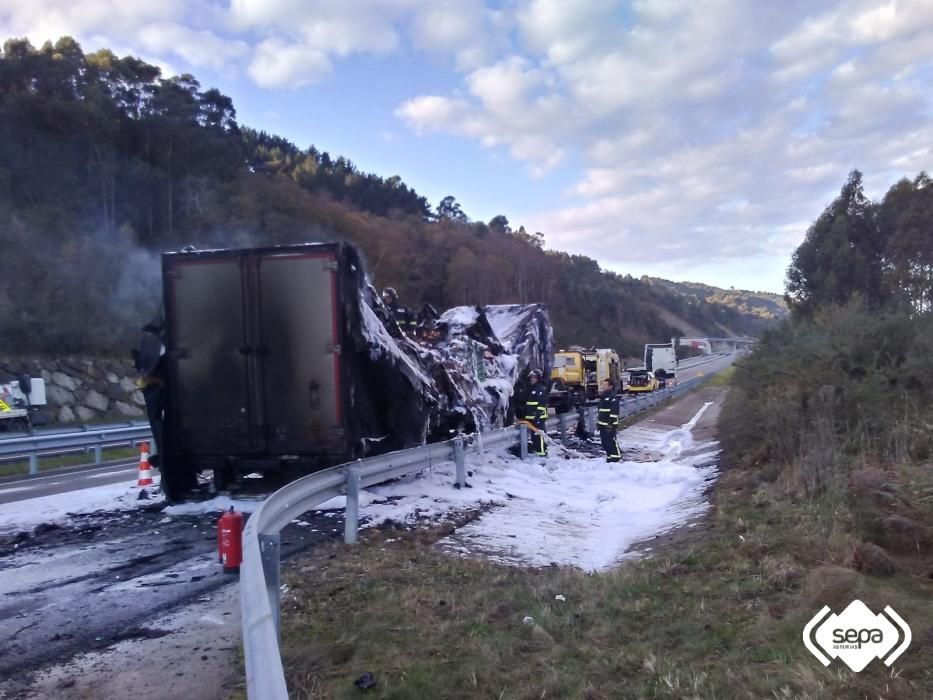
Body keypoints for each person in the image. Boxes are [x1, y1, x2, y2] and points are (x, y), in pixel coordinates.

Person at [524, 369, 548, 457]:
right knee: (534, 436)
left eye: (534, 377)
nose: (532, 379)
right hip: (531, 417)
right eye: (531, 377)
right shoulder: (533, 388)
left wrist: (538, 416)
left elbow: (541, 404)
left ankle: (542, 453)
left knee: (540, 436)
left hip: (538, 417)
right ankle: (537, 451)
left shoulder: (540, 389)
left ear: (538, 378)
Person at [597, 377, 622, 462]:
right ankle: (609, 458)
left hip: (609, 425)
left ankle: (616, 458)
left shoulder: (612, 397)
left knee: (611, 442)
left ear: (610, 386)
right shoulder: (603, 397)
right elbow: (601, 411)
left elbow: (614, 412)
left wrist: (611, 424)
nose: (603, 386)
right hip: (602, 424)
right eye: (603, 385)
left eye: (605, 385)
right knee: (605, 443)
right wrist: (599, 423)